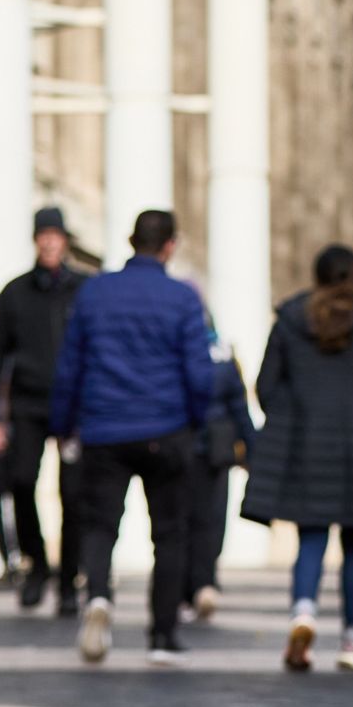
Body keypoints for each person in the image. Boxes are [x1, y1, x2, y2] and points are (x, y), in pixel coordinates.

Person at [50, 210, 216, 667]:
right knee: (169, 533)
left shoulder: (94, 292)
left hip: (104, 428)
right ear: (170, 246)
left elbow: (71, 365)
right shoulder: (182, 298)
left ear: (130, 241)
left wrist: (62, 424)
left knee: (101, 524)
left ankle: (99, 596)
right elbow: (199, 372)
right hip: (166, 428)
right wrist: (195, 422)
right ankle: (162, 634)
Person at [241, 245, 353, 672]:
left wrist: (292, 416)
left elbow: (266, 387)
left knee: (311, 539)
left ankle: (303, 613)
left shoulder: (290, 321)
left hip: (306, 446)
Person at [0, 207, 91, 615]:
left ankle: (70, 578)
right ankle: (36, 564)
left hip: (75, 406)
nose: (50, 242)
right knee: (21, 480)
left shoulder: (85, 289)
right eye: (44, 234)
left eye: (56, 234)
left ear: (65, 240)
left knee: (74, 494)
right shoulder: (15, 293)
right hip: (28, 403)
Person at [189, 332, 258, 621]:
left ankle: (185, 588)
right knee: (211, 519)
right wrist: (253, 451)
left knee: (176, 521)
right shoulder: (224, 358)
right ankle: (204, 583)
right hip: (214, 450)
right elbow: (240, 410)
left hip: (178, 444)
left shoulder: (169, 352)